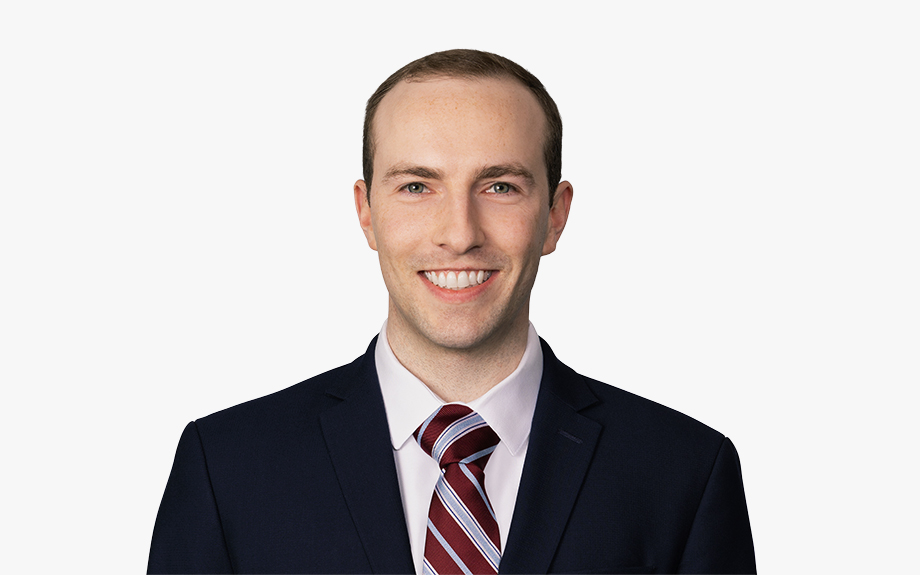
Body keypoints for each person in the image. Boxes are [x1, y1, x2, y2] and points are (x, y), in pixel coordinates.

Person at [148, 49, 756, 575]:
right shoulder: (226, 467)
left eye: (500, 187)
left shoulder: (684, 472)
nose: (460, 234)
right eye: (417, 186)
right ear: (366, 212)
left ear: (555, 215)